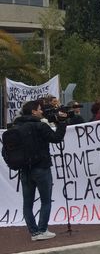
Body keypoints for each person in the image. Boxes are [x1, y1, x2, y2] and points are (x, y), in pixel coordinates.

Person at [13, 100, 67, 241]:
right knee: (46, 200)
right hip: (41, 168)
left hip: (24, 170)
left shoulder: (16, 127)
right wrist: (61, 122)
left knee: (27, 203)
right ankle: (42, 230)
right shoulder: (40, 126)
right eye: (39, 109)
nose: (42, 111)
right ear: (33, 112)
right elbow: (56, 138)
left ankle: (34, 232)